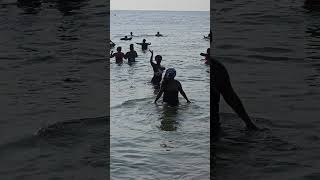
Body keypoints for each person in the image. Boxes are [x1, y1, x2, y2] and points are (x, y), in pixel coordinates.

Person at [211, 57, 258, 137]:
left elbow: (231, 98)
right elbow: (231, 98)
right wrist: (248, 123)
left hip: (213, 127)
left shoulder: (217, 68)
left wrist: (249, 123)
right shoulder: (217, 68)